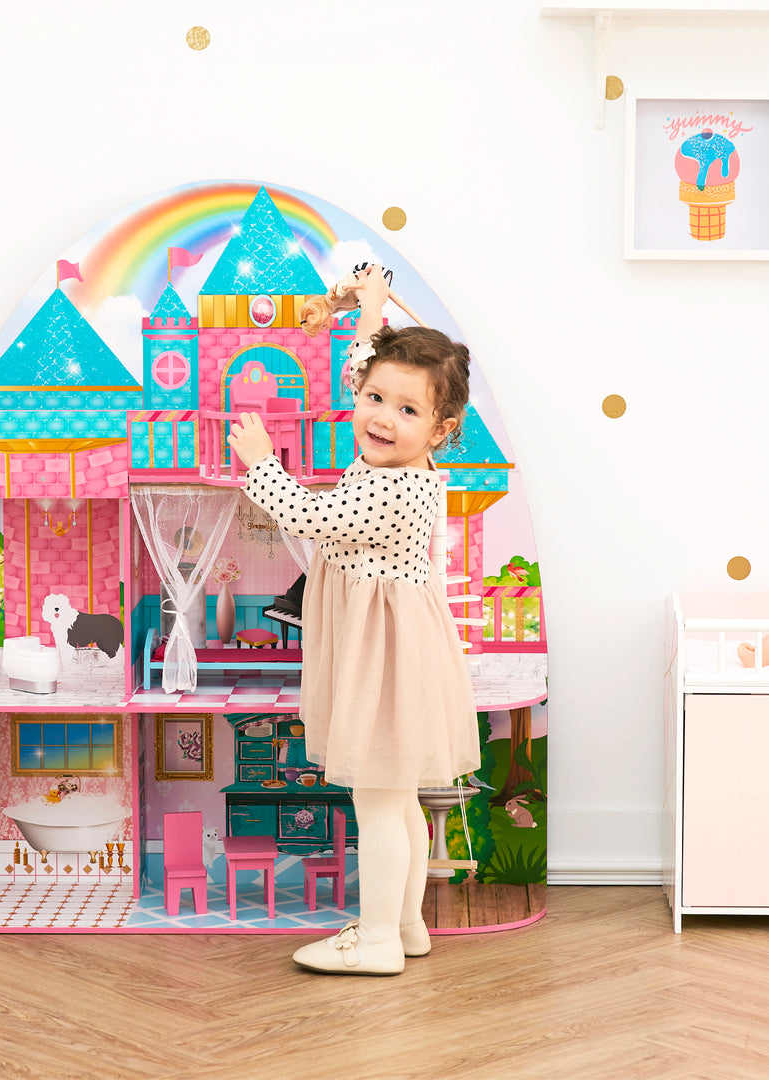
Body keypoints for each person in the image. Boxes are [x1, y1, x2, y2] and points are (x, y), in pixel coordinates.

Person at [227, 265, 480, 975]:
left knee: (377, 801)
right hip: (389, 645)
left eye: (406, 410)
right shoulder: (405, 462)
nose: (378, 415)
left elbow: (312, 515)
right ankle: (402, 927)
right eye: (375, 398)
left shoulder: (396, 489)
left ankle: (374, 943)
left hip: (383, 657)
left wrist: (260, 466)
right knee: (394, 797)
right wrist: (367, 307)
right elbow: (361, 365)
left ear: (441, 429)